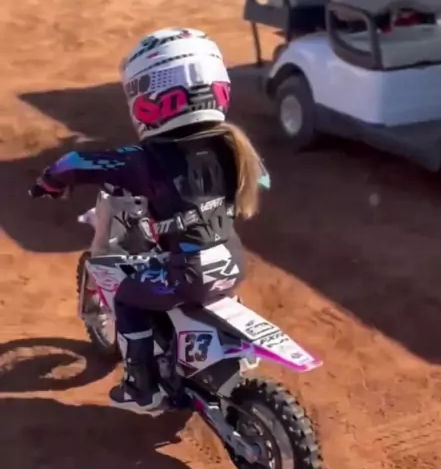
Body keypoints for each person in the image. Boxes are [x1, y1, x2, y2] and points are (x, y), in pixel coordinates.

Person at [30, 28, 269, 413]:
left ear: (153, 96)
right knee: (169, 274)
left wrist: (48, 183)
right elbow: (262, 180)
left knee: (127, 296)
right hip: (232, 263)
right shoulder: (233, 145)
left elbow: (75, 162)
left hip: (186, 274)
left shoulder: (146, 159)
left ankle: (142, 387)